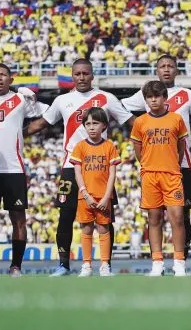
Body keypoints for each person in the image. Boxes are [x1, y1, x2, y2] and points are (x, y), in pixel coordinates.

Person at [25, 58, 134, 276]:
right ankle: (64, 265)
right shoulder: (62, 101)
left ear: (92, 75)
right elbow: (41, 124)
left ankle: (105, 264)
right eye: (78, 74)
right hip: (70, 166)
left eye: (86, 73)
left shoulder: (107, 98)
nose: (82, 77)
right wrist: (14, 134)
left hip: (100, 168)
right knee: (65, 215)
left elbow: (131, 122)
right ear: (72, 76)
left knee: (105, 216)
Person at [122, 54, 191, 259]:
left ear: (177, 70)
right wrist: (138, 124)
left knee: (181, 214)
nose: (166, 69)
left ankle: (181, 259)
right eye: (162, 66)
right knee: (155, 214)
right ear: (157, 70)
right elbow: (120, 106)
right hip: (154, 165)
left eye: (170, 66)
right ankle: (157, 260)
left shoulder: (187, 95)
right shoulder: (148, 94)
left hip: (181, 164)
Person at [0, 63, 47, 277]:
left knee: (18, 219)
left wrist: (24, 132)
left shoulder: (20, 100)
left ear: (10, 80)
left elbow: (48, 115)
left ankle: (16, 266)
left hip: (14, 168)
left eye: (4, 75)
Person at [130, 80, 189, 277]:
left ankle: (179, 261)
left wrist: (172, 163)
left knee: (177, 218)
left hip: (172, 174)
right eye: (149, 97)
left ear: (165, 98)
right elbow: (138, 148)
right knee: (154, 218)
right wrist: (147, 164)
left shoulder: (176, 119)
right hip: (150, 175)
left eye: (157, 96)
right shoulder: (140, 122)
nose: (153, 100)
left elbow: (181, 146)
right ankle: (157, 262)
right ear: (146, 100)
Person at [70, 108, 120, 278]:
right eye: (88, 124)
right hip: (85, 196)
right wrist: (85, 194)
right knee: (86, 229)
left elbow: (112, 174)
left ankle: (105, 265)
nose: (91, 127)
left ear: (104, 126)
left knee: (104, 229)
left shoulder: (109, 146)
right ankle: (87, 265)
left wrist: (107, 197)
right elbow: (77, 173)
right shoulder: (80, 146)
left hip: (103, 196)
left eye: (95, 123)